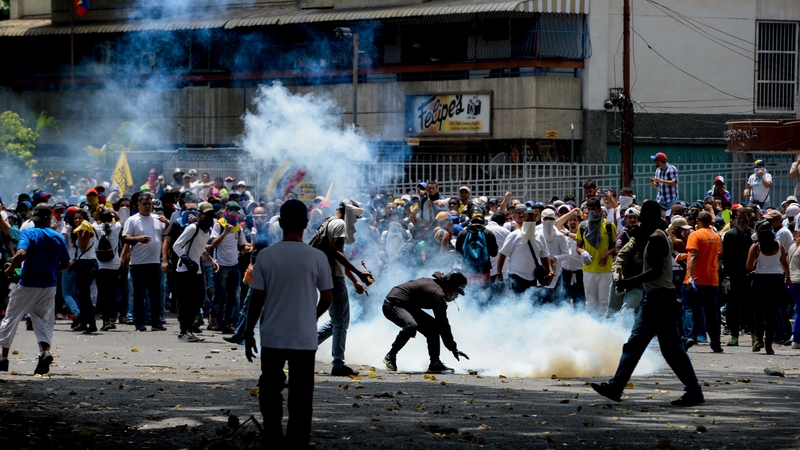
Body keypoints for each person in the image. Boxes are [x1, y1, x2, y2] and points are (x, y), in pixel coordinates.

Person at [591, 200, 704, 407]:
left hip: (661, 299)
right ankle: (616, 386)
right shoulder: (657, 235)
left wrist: (627, 282)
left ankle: (694, 391)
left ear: (651, 218)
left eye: (643, 218)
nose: (639, 222)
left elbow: (655, 271)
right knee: (635, 345)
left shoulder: (656, 238)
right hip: (654, 299)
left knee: (671, 349)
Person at [243, 200, 334, 448]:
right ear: (306, 223)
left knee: (270, 390)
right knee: (301, 395)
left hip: (272, 336)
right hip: (304, 338)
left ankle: (273, 436)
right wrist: (311, 317)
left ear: (280, 224)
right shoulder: (317, 257)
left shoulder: (265, 256)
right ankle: (297, 441)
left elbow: (257, 299)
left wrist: (249, 331)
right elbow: (327, 298)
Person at [0, 204, 70, 374]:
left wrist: (9, 269)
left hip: (28, 283)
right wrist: (51, 270)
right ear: (49, 218)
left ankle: (3, 358)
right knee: (43, 321)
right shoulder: (58, 237)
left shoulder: (29, 233)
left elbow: (22, 254)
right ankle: (44, 352)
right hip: (49, 286)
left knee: (11, 317)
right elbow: (66, 264)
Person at [316, 199, 372, 376]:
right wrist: (359, 273)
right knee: (340, 322)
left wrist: (355, 280)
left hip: (327, 275)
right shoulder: (339, 224)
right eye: (354, 217)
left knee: (336, 321)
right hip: (334, 277)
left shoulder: (329, 222)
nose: (355, 221)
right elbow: (337, 252)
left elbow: (337, 257)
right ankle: (338, 364)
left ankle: (303, 346)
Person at [382, 271, 470, 374]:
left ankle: (435, 364)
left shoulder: (437, 287)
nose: (456, 295)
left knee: (433, 328)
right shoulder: (437, 293)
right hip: (392, 304)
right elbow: (443, 324)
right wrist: (453, 348)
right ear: (450, 286)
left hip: (408, 306)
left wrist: (452, 347)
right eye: (456, 292)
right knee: (411, 325)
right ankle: (390, 356)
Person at [122, 191, 170, 332]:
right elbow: (125, 238)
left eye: (149, 204)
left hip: (154, 262)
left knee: (155, 294)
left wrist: (167, 223)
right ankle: (139, 323)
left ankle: (156, 322)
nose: (147, 206)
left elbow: (165, 237)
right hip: (138, 264)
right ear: (138, 205)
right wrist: (138, 239)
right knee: (139, 294)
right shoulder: (132, 220)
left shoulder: (157, 219)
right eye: (145, 204)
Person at [173, 202, 219, 342]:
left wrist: (211, 260)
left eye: (211, 214)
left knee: (198, 299)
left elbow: (200, 249)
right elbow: (177, 245)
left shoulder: (207, 231)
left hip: (197, 270)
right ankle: (184, 330)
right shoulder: (192, 228)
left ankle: (189, 329)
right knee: (185, 301)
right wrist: (187, 260)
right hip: (184, 270)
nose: (209, 217)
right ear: (200, 214)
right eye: (206, 214)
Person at [680, 211, 723, 353]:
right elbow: (717, 254)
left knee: (689, 309)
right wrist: (686, 256)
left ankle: (688, 337)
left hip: (695, 280)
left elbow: (694, 255)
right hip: (711, 280)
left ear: (697, 221)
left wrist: (690, 276)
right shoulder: (716, 236)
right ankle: (716, 342)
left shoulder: (695, 235)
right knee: (711, 313)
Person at [746, 221, 791, 354]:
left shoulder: (756, 246)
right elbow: (784, 263)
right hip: (777, 278)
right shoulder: (779, 244)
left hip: (761, 278)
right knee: (772, 312)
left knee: (758, 311)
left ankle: (759, 338)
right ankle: (769, 343)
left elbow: (748, 266)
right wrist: (788, 277)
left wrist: (756, 263)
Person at [209, 201, 249, 333]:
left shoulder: (238, 228)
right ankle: (213, 316)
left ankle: (227, 323)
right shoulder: (219, 225)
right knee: (219, 295)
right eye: (231, 209)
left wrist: (249, 247)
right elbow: (214, 244)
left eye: (236, 210)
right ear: (226, 211)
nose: (233, 212)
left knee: (233, 297)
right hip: (221, 266)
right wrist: (225, 233)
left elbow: (242, 246)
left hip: (234, 266)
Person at [496, 208, 553, 297]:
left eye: (532, 220)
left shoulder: (540, 237)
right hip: (516, 276)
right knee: (516, 302)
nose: (530, 223)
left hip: (533, 277)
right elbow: (503, 255)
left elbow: (544, 257)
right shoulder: (514, 235)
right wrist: (498, 274)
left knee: (530, 302)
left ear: (535, 220)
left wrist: (550, 271)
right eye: (527, 220)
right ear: (522, 220)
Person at [576, 197, 617, 317]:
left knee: (604, 301)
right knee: (590, 303)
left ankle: (602, 325)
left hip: (605, 269)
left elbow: (616, 247)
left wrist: (607, 253)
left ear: (599, 209)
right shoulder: (583, 226)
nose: (591, 212)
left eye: (593, 209)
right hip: (589, 270)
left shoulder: (609, 225)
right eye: (589, 210)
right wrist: (583, 252)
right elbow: (578, 246)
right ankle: (591, 325)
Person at [721, 207, 755, 347]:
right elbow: (726, 257)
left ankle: (754, 336)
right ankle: (734, 336)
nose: (741, 221)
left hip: (750, 276)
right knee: (732, 308)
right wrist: (726, 277)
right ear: (734, 218)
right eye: (739, 218)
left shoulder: (753, 235)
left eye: (744, 218)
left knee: (750, 308)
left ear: (749, 218)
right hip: (734, 276)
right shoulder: (730, 235)